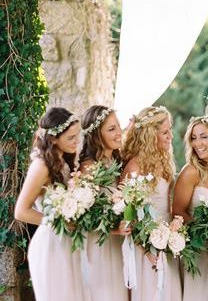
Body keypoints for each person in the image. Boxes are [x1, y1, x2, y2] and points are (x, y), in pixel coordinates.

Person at [14, 107, 89, 301]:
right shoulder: (40, 166)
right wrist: (56, 221)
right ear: (54, 139)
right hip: (50, 245)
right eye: (71, 138)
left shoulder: (62, 161)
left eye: (77, 136)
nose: (76, 142)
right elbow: (21, 211)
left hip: (67, 243)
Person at [121, 106, 181, 301]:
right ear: (149, 134)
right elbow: (127, 215)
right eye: (165, 132)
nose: (170, 136)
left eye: (169, 130)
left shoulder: (164, 161)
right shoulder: (134, 167)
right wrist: (147, 249)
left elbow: (168, 204)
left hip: (167, 244)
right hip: (145, 248)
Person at [172, 116, 208, 301]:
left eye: (204, 137)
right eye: (194, 138)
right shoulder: (191, 172)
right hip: (197, 252)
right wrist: (205, 233)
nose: (197, 143)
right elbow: (178, 211)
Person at [79, 105, 128, 301]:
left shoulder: (119, 162)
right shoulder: (88, 168)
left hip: (119, 243)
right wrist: (114, 229)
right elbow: (83, 215)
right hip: (99, 244)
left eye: (118, 126)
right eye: (111, 129)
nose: (119, 133)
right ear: (97, 136)